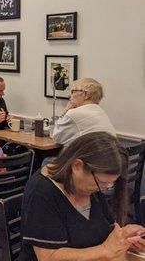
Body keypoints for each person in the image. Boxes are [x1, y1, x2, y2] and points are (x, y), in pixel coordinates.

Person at [20, 132, 145, 260]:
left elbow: (107, 230)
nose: (104, 189)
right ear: (77, 166)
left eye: (109, 184)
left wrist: (124, 238)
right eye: (102, 183)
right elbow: (48, 257)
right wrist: (105, 249)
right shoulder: (42, 192)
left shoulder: (91, 187)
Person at [51, 78, 116, 147]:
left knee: (47, 158)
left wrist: (65, 111)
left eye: (73, 92)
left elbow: (57, 138)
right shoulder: (100, 112)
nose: (70, 95)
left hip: (84, 157)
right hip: (107, 156)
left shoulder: (74, 114)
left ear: (86, 95)